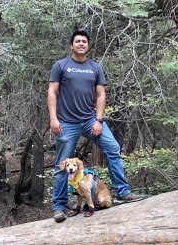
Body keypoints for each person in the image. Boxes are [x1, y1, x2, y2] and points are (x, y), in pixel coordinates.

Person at [47, 30, 145, 223]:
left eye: (84, 41)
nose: (81, 44)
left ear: (88, 45)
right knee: (62, 164)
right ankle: (59, 206)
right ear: (71, 45)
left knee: (113, 149)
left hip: (90, 120)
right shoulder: (61, 66)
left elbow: (101, 96)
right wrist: (53, 118)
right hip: (67, 122)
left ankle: (122, 192)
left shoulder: (95, 68)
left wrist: (99, 120)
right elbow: (52, 92)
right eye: (77, 41)